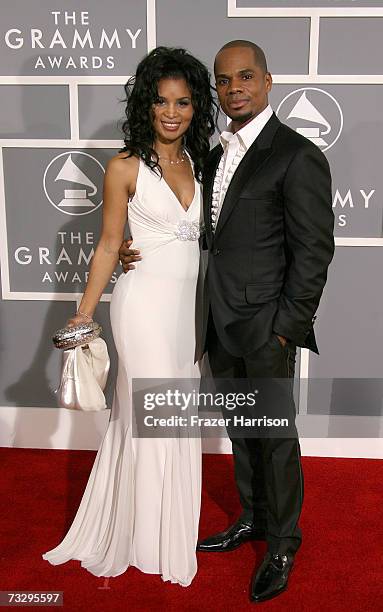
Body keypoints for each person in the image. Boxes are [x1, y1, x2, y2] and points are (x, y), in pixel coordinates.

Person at [119, 40, 335, 602]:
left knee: (277, 437)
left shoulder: (296, 154)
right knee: (243, 430)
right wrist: (128, 246)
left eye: (245, 76)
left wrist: (287, 326)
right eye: (223, 80)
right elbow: (196, 231)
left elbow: (313, 251)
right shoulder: (211, 156)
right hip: (216, 322)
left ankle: (284, 542)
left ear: (267, 80)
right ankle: (253, 519)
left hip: (268, 326)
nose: (233, 87)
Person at [42, 46, 217, 587]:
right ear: (145, 104)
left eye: (183, 102)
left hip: (190, 310)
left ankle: (169, 529)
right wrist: (83, 314)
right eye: (162, 101)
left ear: (195, 108)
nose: (172, 112)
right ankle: (143, 539)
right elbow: (108, 243)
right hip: (142, 308)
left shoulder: (205, 162)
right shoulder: (123, 166)